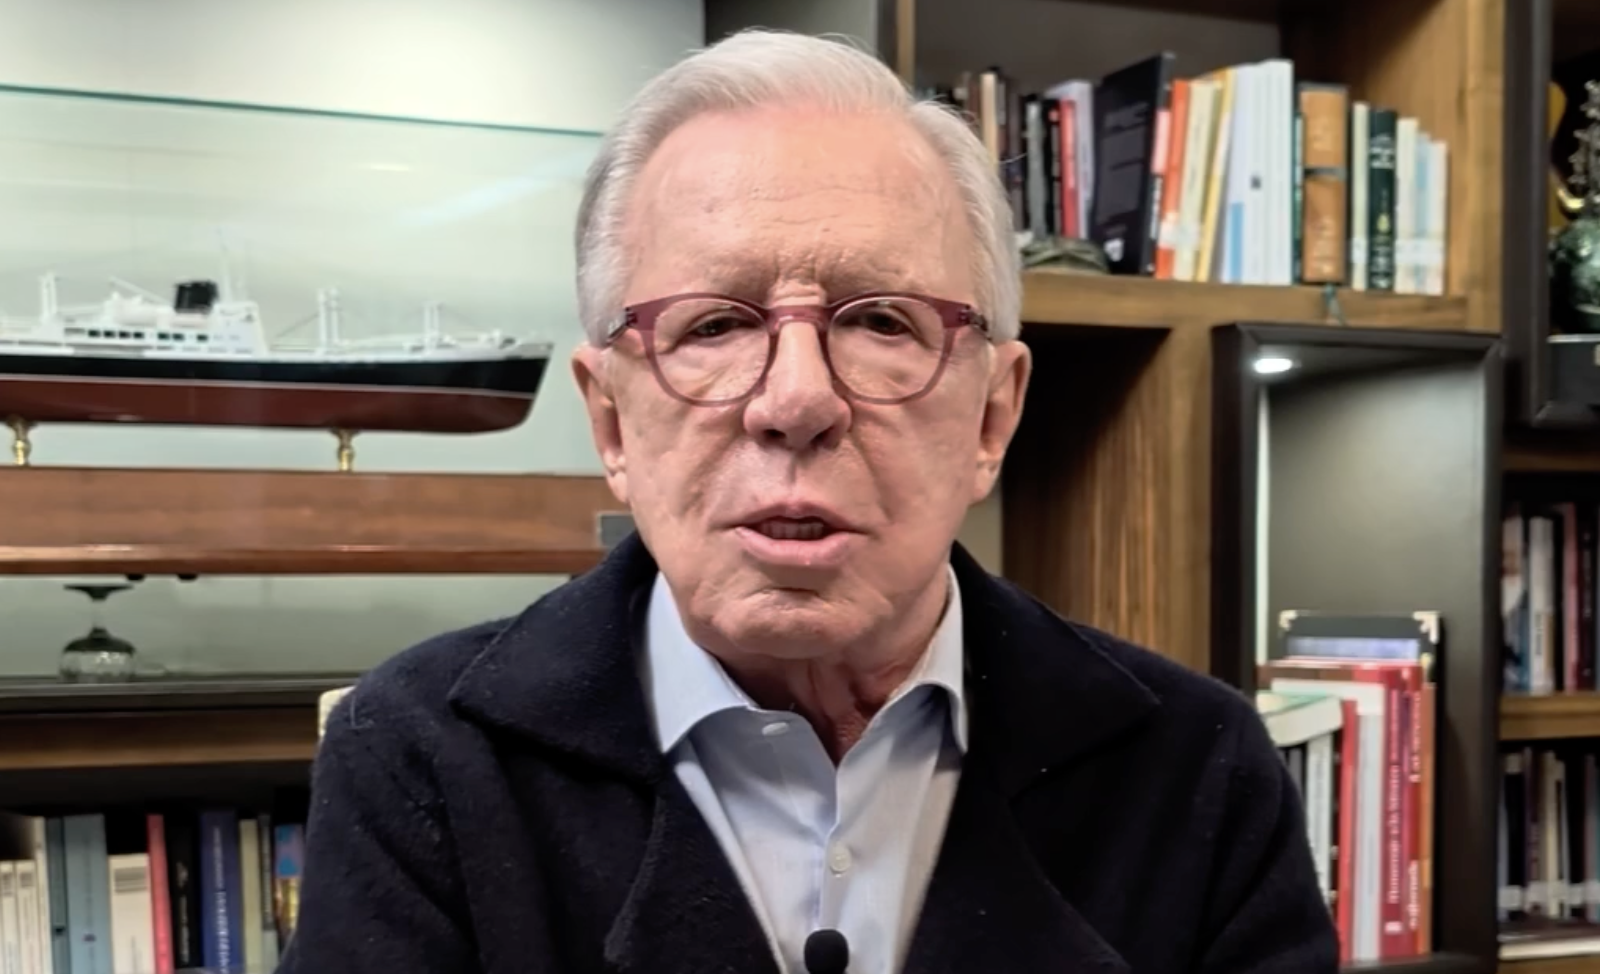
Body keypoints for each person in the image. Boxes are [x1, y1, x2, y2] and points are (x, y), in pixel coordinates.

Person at [277, 29, 1338, 974]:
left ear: (991, 415)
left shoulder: (1200, 769)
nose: (795, 401)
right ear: (611, 423)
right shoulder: (418, 754)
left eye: (880, 322)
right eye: (712, 325)